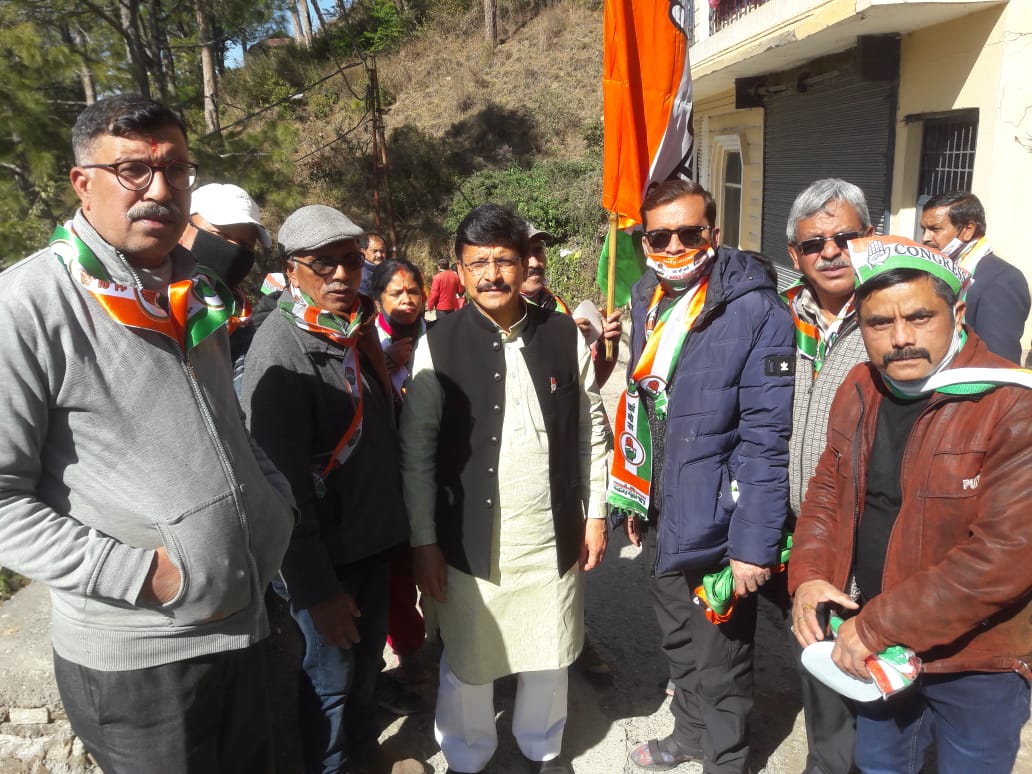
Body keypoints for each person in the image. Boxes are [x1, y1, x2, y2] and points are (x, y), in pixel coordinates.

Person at [0, 93, 295, 773]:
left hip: (246, 621)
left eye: (176, 169)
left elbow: (226, 424)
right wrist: (145, 576)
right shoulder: (27, 306)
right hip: (140, 659)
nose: (161, 190)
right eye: (133, 170)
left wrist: (273, 506)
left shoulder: (195, 288)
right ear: (83, 183)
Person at [789, 236, 1032, 773]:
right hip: (880, 648)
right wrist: (808, 576)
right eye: (879, 323)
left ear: (958, 314)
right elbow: (828, 490)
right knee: (879, 765)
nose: (900, 339)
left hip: (977, 662)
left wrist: (877, 626)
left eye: (920, 317)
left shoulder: (1012, 404)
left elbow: (1005, 557)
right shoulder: (862, 386)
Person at [399, 204, 610, 774]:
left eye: (504, 261)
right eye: (478, 263)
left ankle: (543, 749)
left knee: (549, 655)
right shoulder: (438, 344)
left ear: (525, 264)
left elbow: (591, 431)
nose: (492, 275)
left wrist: (595, 514)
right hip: (468, 540)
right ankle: (467, 757)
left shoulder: (562, 334)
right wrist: (424, 541)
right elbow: (417, 451)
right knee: (468, 661)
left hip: (549, 533)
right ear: (459, 270)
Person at [615, 180, 795, 774]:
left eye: (688, 233)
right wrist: (633, 499)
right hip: (661, 507)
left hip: (718, 520)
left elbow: (767, 437)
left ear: (712, 234)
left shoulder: (756, 309)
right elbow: (644, 405)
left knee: (722, 660)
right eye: (659, 236)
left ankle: (726, 759)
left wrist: (754, 544)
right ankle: (689, 735)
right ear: (645, 241)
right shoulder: (645, 294)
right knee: (679, 643)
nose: (673, 247)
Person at [241, 205, 416, 774]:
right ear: (292, 269)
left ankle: (366, 757)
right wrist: (316, 591)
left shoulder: (351, 330)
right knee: (330, 687)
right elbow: (281, 487)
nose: (342, 275)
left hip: (368, 543)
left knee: (364, 671)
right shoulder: (281, 352)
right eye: (323, 264)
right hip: (326, 564)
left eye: (351, 261)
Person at [781, 179, 874, 773]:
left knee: (874, 676)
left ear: (870, 237)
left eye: (845, 237)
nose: (831, 252)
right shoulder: (780, 313)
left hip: (870, 534)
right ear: (796, 255)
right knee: (821, 671)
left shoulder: (896, 310)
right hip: (803, 529)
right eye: (815, 243)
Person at [369, 258, 433, 698]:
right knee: (397, 574)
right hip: (387, 479)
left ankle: (448, 636)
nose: (407, 300)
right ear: (379, 299)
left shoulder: (439, 337)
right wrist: (386, 363)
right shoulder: (364, 343)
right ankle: (409, 654)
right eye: (396, 293)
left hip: (435, 471)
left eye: (413, 292)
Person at [919, 191, 1030, 363]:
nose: (925, 238)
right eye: (924, 229)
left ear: (968, 230)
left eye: (935, 229)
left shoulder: (1003, 279)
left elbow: (999, 363)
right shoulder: (941, 270)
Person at [178, 182, 272, 371]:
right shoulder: (145, 304)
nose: (233, 250)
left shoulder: (244, 325)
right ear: (182, 228)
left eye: (246, 245)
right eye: (221, 235)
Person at [520, 222, 622, 388]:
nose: (535, 263)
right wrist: (561, 341)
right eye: (523, 254)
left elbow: (586, 385)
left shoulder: (555, 304)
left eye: (538, 251)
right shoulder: (502, 317)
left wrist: (607, 345)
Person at [358, 231, 388, 297]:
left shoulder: (388, 269)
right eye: (375, 251)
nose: (379, 255)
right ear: (363, 251)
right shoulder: (360, 274)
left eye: (382, 251)